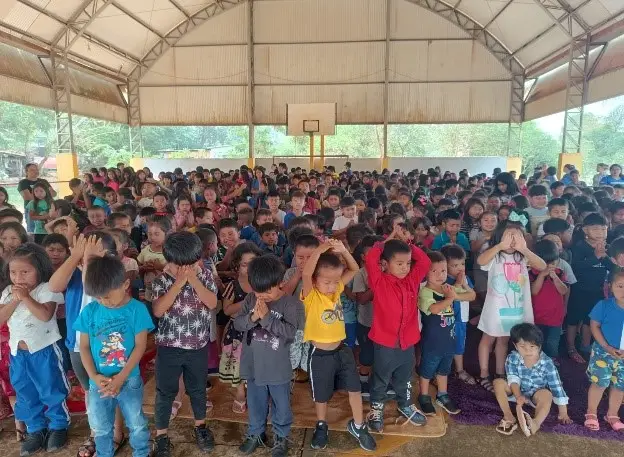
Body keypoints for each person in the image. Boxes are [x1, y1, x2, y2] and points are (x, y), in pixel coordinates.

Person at [74, 256, 153, 457]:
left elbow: (140, 346)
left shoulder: (137, 309)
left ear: (125, 284)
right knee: (101, 426)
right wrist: (94, 376)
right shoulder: (89, 311)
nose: (103, 302)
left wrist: (121, 377)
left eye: (107, 296)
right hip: (98, 382)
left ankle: (141, 452)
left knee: (136, 422)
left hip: (129, 379)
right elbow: (83, 347)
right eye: (98, 297)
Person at [303, 240, 376, 452]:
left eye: (336, 281)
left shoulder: (336, 290)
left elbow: (354, 269)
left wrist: (344, 250)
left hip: (342, 350)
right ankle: (321, 425)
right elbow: (306, 273)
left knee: (355, 388)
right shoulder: (311, 296)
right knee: (321, 395)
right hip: (320, 355)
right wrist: (319, 249)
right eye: (327, 282)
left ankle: (359, 425)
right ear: (315, 280)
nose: (332, 286)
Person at [152, 232, 219, 457]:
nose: (185, 270)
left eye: (190, 265)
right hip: (169, 347)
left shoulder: (205, 276)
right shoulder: (161, 281)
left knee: (198, 389)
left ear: (198, 259)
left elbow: (212, 303)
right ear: (168, 260)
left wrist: (194, 280)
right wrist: (179, 283)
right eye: (179, 266)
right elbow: (158, 310)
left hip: (197, 347)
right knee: (165, 392)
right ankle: (161, 436)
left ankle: (200, 426)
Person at [0, 244, 68, 456]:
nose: (18, 277)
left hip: (44, 350)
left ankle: (58, 425)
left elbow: (45, 315)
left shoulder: (47, 289)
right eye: (13, 272)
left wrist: (27, 297)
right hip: (18, 353)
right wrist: (15, 299)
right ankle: (35, 428)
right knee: (24, 391)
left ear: (39, 269)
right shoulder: (8, 292)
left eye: (25, 272)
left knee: (50, 388)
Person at [233, 255, 304, 457]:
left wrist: (265, 318)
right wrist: (253, 316)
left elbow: (290, 332)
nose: (262, 296)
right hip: (253, 365)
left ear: (280, 283)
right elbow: (238, 324)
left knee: (281, 405)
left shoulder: (291, 304)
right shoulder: (250, 300)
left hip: (278, 368)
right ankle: (256, 433)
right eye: (258, 291)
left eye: (267, 291)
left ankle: (281, 436)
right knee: (255, 402)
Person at [365, 227, 431, 432]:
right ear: (385, 264)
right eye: (399, 263)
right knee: (381, 377)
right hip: (385, 342)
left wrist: (408, 243)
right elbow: (371, 257)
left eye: (408, 263)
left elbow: (425, 262)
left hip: (407, 342)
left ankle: (405, 404)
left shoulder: (412, 281)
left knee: (405, 377)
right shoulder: (379, 281)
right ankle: (376, 408)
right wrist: (388, 239)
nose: (405, 268)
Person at [476, 221, 546, 392]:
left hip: (516, 308)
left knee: (504, 339)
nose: (513, 240)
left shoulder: (522, 256)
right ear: (499, 237)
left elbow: (542, 266)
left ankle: (500, 373)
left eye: (517, 236)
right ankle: (484, 373)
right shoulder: (495, 254)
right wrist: (500, 246)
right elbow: (480, 260)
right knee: (488, 338)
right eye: (509, 236)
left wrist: (524, 249)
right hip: (495, 308)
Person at [418, 251, 475, 415]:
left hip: (449, 340)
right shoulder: (425, 292)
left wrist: (460, 284)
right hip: (432, 342)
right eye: (434, 271)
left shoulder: (447, 289)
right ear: (425, 272)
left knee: (444, 370)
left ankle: (442, 395)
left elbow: (471, 296)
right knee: (427, 371)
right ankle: (424, 396)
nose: (439, 275)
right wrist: (450, 298)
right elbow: (434, 309)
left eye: (443, 271)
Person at [493, 323, 571, 436]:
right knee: (498, 382)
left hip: (536, 395)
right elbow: (513, 379)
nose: (527, 350)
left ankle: (536, 423)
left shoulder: (547, 363)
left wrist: (563, 412)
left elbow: (557, 387)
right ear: (515, 346)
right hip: (516, 392)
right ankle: (508, 416)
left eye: (532, 346)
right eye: (522, 346)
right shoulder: (513, 357)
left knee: (547, 394)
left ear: (539, 346)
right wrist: (518, 396)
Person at [220, 242, 263, 414]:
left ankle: (256, 391)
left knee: (257, 362)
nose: (249, 268)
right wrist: (247, 300)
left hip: (259, 330)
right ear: (237, 266)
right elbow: (227, 310)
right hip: (237, 332)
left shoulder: (263, 283)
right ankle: (240, 392)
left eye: (253, 263)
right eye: (245, 264)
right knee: (238, 363)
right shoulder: (233, 285)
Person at [440, 244, 476, 384]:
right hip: (446, 320)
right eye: (455, 265)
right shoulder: (442, 279)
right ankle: (441, 371)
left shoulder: (465, 279)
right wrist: (458, 285)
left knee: (459, 344)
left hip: (461, 318)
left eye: (462, 264)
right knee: (444, 344)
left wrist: (463, 285)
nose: (460, 268)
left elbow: (472, 296)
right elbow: (448, 296)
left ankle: (460, 370)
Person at [529, 240, 569, 361]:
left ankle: (552, 361)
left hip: (555, 316)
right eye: (545, 263)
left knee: (552, 342)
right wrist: (542, 275)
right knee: (536, 341)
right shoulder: (532, 273)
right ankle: (537, 362)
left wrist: (555, 277)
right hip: (536, 316)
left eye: (553, 262)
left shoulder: (559, 273)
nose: (549, 265)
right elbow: (534, 291)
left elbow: (563, 290)